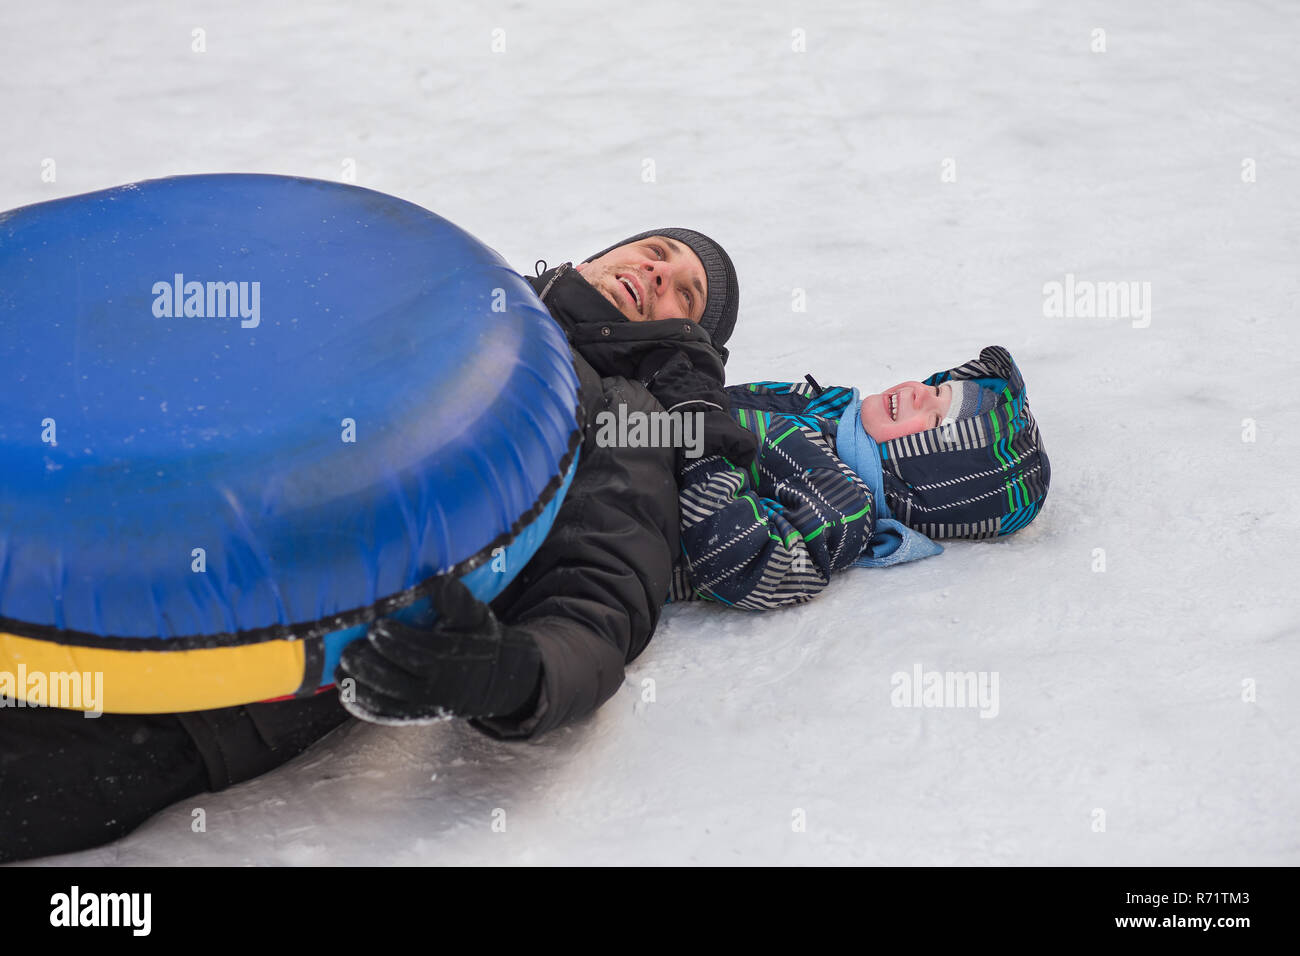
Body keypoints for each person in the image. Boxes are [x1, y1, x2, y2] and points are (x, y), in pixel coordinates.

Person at [0, 228, 755, 863]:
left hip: (202, 688)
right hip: (79, 509)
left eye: (683, 294)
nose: (657, 274)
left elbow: (599, 602)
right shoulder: (443, 280)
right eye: (655, 252)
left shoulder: (622, 417)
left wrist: (511, 673)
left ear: (684, 337)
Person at [669, 346, 1051, 610]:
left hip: (633, 505)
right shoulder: (831, 412)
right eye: (937, 388)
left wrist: (702, 449)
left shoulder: (846, 504)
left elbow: (750, 563)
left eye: (935, 419)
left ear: (921, 470)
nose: (919, 393)